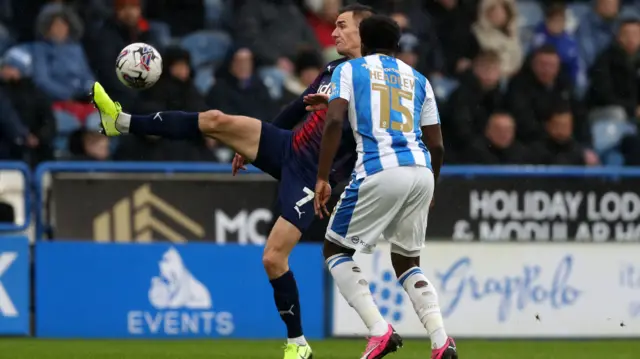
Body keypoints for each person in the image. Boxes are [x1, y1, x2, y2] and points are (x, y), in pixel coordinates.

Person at [90, 4, 375, 359]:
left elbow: (367, 142)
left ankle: (297, 344)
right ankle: (122, 121)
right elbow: (298, 106)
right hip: (288, 146)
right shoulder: (335, 68)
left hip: (313, 176)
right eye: (333, 26)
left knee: (273, 258)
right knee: (215, 119)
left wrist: (333, 180)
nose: (333, 34)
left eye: (342, 26)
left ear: (364, 32)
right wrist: (258, 142)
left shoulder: (370, 81)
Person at [309, 15, 456, 359]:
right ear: (397, 44)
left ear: (364, 38)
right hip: (420, 170)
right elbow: (437, 145)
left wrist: (322, 176)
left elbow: (333, 120)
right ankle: (440, 341)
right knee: (407, 260)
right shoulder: (419, 79)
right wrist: (432, 183)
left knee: (335, 250)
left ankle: (379, 331)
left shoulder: (351, 69)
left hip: (379, 168)